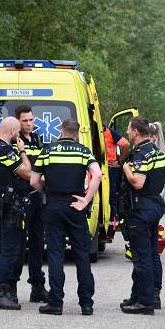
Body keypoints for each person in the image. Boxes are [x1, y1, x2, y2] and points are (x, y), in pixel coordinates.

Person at [30, 119, 102, 316]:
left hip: (53, 206)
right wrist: (86, 199)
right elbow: (97, 175)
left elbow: (34, 180)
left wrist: (46, 188)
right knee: (82, 255)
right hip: (75, 205)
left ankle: (56, 302)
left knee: (55, 253)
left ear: (61, 131)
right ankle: (86, 304)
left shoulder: (47, 151)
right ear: (77, 134)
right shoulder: (83, 151)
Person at [120, 116, 165, 315]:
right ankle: (141, 295)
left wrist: (125, 168)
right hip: (153, 205)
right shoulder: (157, 152)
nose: (127, 133)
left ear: (136, 132)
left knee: (141, 257)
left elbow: (138, 183)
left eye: (129, 130)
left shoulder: (140, 155)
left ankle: (145, 302)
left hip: (140, 209)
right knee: (150, 252)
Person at [0, 117, 32, 310]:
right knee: (12, 249)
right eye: (18, 132)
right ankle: (1, 293)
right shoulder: (5, 151)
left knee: (3, 247)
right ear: (13, 131)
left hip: (1, 202)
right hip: (11, 205)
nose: (19, 135)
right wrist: (22, 151)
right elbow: (27, 172)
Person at [14, 105, 49, 303]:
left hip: (37, 197)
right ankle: (8, 287)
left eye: (31, 120)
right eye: (25, 120)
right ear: (17, 121)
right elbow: (24, 171)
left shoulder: (37, 139)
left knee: (37, 243)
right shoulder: (14, 142)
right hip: (21, 198)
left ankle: (37, 286)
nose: (29, 124)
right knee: (17, 245)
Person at [103, 126, 130, 224]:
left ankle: (113, 222)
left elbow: (126, 144)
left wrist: (120, 161)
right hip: (99, 167)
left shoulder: (109, 132)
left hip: (110, 169)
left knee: (111, 196)